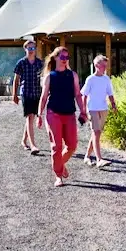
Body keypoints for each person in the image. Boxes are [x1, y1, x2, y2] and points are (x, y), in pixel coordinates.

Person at [36, 46, 87, 187]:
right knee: (56, 147)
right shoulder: (49, 77)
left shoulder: (73, 75)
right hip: (54, 114)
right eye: (62, 57)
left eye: (67, 57)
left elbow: (77, 94)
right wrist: (39, 115)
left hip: (69, 114)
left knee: (72, 145)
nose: (65, 60)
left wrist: (83, 110)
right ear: (56, 58)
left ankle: (60, 164)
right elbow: (44, 97)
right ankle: (58, 176)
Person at [81, 55, 117, 167]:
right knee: (96, 132)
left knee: (97, 134)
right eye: (103, 65)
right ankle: (99, 159)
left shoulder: (106, 79)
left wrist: (114, 105)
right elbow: (84, 95)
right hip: (93, 109)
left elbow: (110, 93)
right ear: (96, 65)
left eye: (106, 65)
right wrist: (84, 110)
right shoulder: (90, 79)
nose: (105, 67)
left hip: (103, 108)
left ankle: (87, 156)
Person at [12, 39, 43, 155]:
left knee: (31, 117)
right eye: (29, 48)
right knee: (30, 117)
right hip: (26, 92)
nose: (31, 50)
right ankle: (33, 145)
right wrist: (14, 94)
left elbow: (44, 78)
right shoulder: (21, 63)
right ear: (25, 49)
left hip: (36, 93)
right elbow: (16, 79)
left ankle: (24, 141)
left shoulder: (40, 63)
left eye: (33, 48)